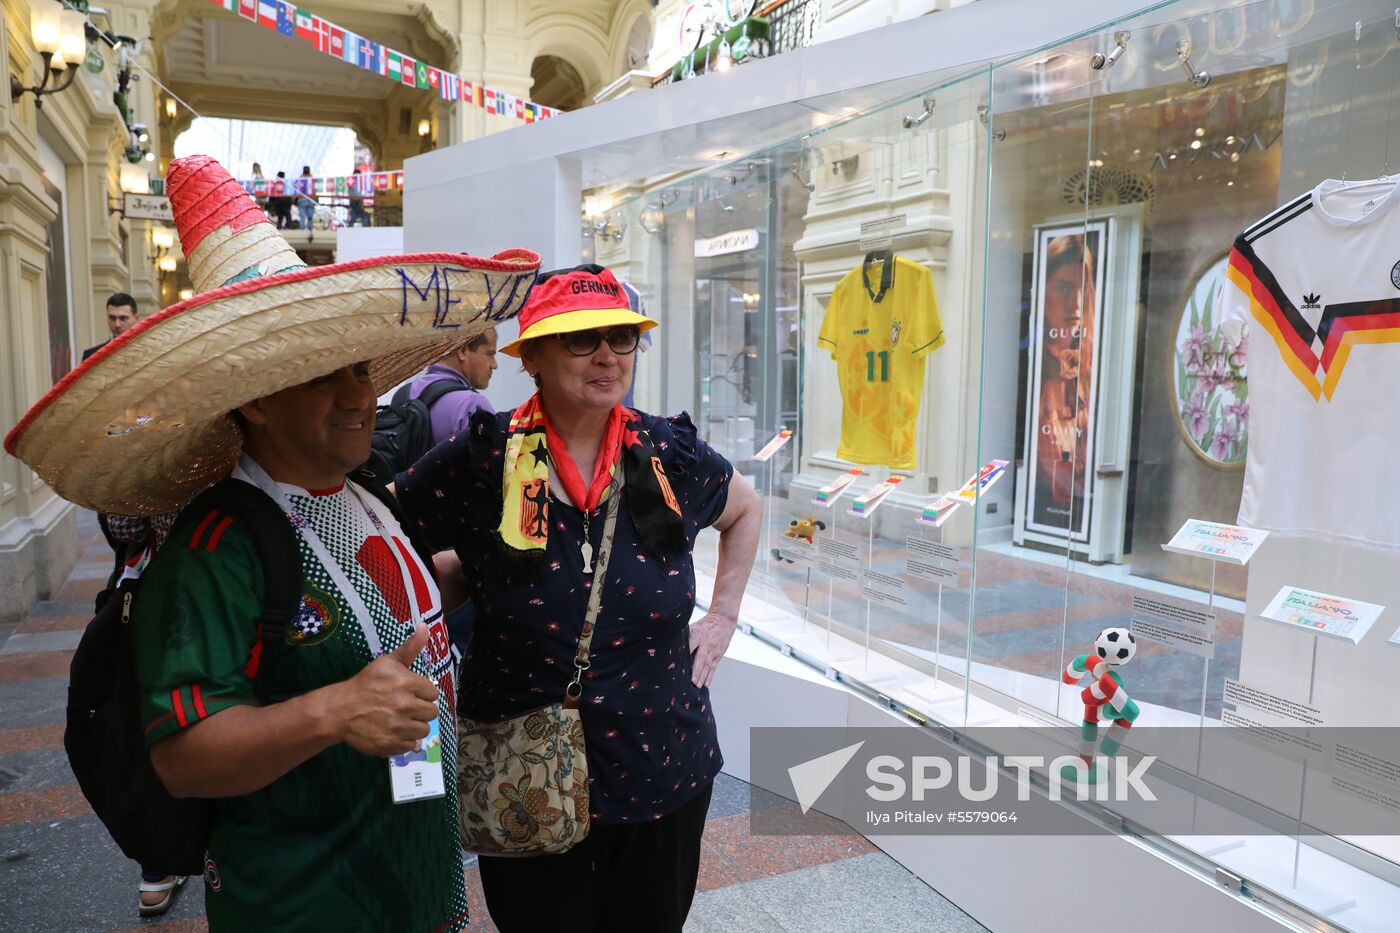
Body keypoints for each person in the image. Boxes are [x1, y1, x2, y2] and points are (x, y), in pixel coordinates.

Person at [3, 154, 541, 931]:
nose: (360, 393)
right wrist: (335, 710)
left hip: (416, 888)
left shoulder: (363, 499)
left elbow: (396, 612)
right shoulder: (220, 543)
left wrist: (500, 562)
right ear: (252, 399)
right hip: (302, 905)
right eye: (323, 375)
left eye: (358, 366)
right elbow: (182, 756)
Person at [395, 264, 762, 933]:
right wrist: (453, 581)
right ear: (531, 354)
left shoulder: (663, 452)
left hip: (661, 763)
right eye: (580, 337)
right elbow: (388, 533)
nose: (605, 355)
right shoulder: (486, 457)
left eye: (621, 337)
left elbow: (745, 508)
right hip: (523, 766)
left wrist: (724, 615)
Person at [405, 327, 499, 448]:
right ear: (463, 351)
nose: (494, 365)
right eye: (490, 354)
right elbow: (493, 463)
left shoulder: (405, 393)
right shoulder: (472, 404)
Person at [81, 292, 138, 360]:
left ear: (136, 318)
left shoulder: (150, 354)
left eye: (123, 318)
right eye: (112, 318)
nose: (117, 325)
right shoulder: (91, 356)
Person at [294, 165, 317, 232]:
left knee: (302, 216)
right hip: (311, 199)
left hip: (301, 200)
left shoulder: (300, 179)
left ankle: (302, 230)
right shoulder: (312, 179)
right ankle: (310, 229)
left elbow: (296, 191)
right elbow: (314, 191)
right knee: (310, 216)